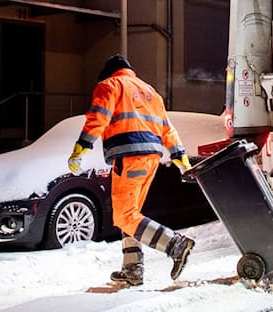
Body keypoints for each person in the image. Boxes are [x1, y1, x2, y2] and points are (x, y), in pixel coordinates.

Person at [67, 54, 195, 287]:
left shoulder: (110, 85)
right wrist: (180, 158)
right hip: (152, 159)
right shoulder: (151, 92)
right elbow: (168, 129)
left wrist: (81, 148)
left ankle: (175, 245)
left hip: (129, 155)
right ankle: (132, 268)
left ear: (108, 72)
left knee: (125, 216)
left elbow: (98, 118)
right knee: (130, 214)